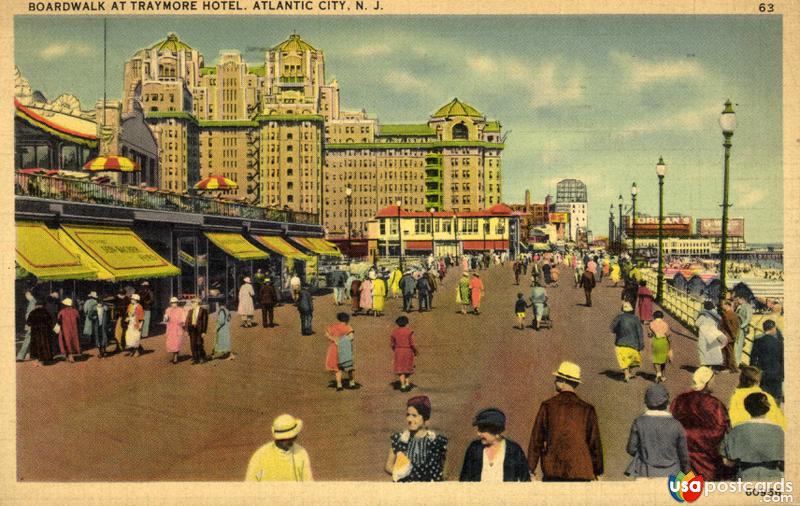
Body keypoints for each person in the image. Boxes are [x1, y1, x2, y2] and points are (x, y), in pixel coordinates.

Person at [528, 361, 604, 481]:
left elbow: (536, 441)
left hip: (553, 471)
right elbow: (594, 444)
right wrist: (598, 470)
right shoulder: (587, 409)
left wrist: (530, 469)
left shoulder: (547, 406)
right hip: (581, 471)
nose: (555, 382)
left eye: (557, 378)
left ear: (563, 382)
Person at [670, 366, 730, 482]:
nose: (714, 383)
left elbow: (672, 422)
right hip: (705, 457)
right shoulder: (714, 404)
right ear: (707, 382)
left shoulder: (679, 399)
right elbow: (719, 429)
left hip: (681, 454)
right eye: (712, 380)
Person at [625, 384, 690, 478]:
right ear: (667, 403)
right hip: (672, 473)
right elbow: (684, 456)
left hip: (645, 472)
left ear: (646, 403)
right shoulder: (676, 425)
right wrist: (686, 473)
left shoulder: (639, 422)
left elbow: (631, 449)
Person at [721, 393, 784, 481]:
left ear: (746, 408)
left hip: (745, 476)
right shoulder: (778, 430)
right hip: (773, 477)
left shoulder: (736, 430)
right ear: (768, 408)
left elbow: (727, 462)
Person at [385, 396, 448, 482]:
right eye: (408, 415)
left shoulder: (436, 441)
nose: (409, 419)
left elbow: (444, 472)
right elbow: (388, 466)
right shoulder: (399, 440)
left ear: (424, 417)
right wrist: (400, 473)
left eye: (414, 415)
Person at [460, 408, 531, 482]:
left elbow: (525, 482)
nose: (478, 433)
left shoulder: (514, 450)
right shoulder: (474, 449)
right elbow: (464, 481)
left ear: (496, 431)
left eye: (482, 430)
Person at [245, 414, 313, 482]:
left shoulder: (301, 453)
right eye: (283, 439)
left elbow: (308, 483)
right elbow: (250, 484)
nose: (288, 441)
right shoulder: (260, 455)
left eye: (291, 438)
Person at [749, 320, 784, 403]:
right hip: (777, 374)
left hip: (763, 373)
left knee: (763, 397)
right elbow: (782, 360)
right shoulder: (779, 342)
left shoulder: (758, 341)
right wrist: (782, 374)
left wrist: (754, 373)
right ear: (773, 328)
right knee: (776, 397)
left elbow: (753, 359)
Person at [610, 302, 644, 382]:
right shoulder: (635, 319)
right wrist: (641, 343)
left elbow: (612, 329)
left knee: (623, 360)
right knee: (634, 360)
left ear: (623, 309)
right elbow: (640, 332)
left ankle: (626, 374)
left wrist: (618, 330)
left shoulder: (619, 317)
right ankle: (628, 373)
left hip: (620, 342)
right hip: (633, 343)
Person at [324, 312, 355, 391]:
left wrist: (334, 339)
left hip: (334, 348)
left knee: (337, 368)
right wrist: (344, 340)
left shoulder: (333, 326)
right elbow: (351, 337)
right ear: (347, 320)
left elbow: (326, 334)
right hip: (345, 348)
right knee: (348, 366)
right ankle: (351, 382)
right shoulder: (348, 327)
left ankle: (339, 384)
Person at [696, 301, 727, 370]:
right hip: (712, 335)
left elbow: (697, 324)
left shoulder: (703, 315)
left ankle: (704, 366)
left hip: (704, 335)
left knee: (703, 350)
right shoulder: (715, 315)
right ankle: (712, 367)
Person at [390, 316, 418, 392]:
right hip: (408, 350)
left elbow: (392, 344)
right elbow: (412, 343)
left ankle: (402, 385)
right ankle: (407, 383)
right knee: (408, 367)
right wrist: (415, 351)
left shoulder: (394, 332)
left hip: (398, 351)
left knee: (400, 368)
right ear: (406, 323)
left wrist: (395, 350)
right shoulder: (409, 331)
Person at [25, 297, 54, 365]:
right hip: (45, 333)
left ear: (36, 305)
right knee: (45, 345)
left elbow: (28, 323)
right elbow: (50, 322)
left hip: (36, 333)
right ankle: (43, 360)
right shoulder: (46, 312)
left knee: (36, 346)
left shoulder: (33, 312)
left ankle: (38, 360)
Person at [648, 311, 671, 383]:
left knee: (656, 359)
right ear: (662, 317)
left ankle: (658, 374)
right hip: (664, 342)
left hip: (656, 342)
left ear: (654, 317)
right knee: (663, 360)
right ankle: (663, 376)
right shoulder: (665, 324)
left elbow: (649, 334)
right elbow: (669, 335)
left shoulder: (651, 324)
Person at [719, 299, 741, 373]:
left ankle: (730, 368)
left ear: (727, 305)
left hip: (727, 336)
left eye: (723, 305)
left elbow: (729, 327)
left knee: (728, 352)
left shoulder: (727, 315)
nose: (722, 306)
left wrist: (732, 335)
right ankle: (732, 368)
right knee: (729, 352)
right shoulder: (733, 314)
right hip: (730, 336)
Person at [56, 298, 81, 363]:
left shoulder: (61, 312)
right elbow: (79, 320)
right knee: (73, 342)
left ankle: (69, 356)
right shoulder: (75, 311)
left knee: (65, 342)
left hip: (64, 330)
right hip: (73, 330)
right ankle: (71, 355)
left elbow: (58, 321)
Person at [16, 291, 38, 362]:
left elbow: (30, 314)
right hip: (33, 324)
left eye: (26, 296)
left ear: (29, 295)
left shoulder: (32, 302)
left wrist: (29, 325)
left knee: (27, 339)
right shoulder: (33, 302)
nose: (26, 297)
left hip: (32, 324)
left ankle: (21, 356)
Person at [186, 297, 209, 364]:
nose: (192, 304)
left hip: (199, 329)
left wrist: (204, 331)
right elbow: (187, 321)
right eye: (191, 303)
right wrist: (187, 330)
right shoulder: (190, 311)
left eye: (193, 303)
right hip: (192, 329)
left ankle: (201, 357)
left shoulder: (203, 311)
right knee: (192, 344)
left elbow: (205, 322)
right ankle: (195, 358)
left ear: (197, 303)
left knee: (199, 343)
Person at [164, 297, 186, 364]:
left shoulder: (181, 310)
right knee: (171, 343)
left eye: (175, 303)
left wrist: (182, 324)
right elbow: (165, 320)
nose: (174, 304)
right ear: (170, 303)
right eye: (172, 303)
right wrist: (166, 318)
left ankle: (175, 357)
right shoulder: (168, 310)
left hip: (177, 328)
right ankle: (174, 355)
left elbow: (183, 319)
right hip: (170, 329)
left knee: (177, 343)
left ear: (177, 303)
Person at [734, 294, 753, 365]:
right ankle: (736, 361)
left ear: (742, 299)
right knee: (736, 345)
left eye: (738, 299)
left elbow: (748, 318)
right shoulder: (741, 306)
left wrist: (742, 326)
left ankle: (737, 362)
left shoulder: (748, 306)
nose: (738, 301)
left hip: (742, 329)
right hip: (738, 328)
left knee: (738, 345)